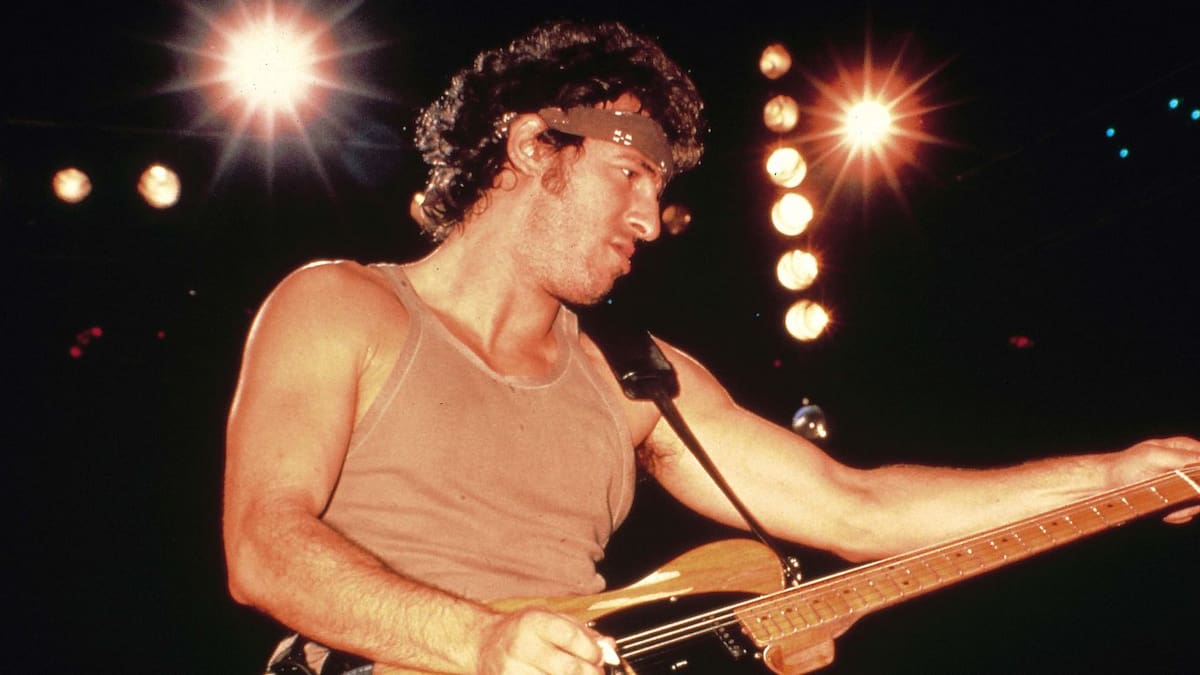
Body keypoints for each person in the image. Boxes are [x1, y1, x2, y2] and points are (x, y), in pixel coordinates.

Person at [222, 20, 1199, 675]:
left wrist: (1114, 475)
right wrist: (480, 642)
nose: (650, 219)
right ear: (530, 146)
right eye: (628, 172)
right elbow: (263, 547)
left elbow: (854, 506)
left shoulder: (638, 375)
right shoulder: (342, 305)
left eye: (661, 189)